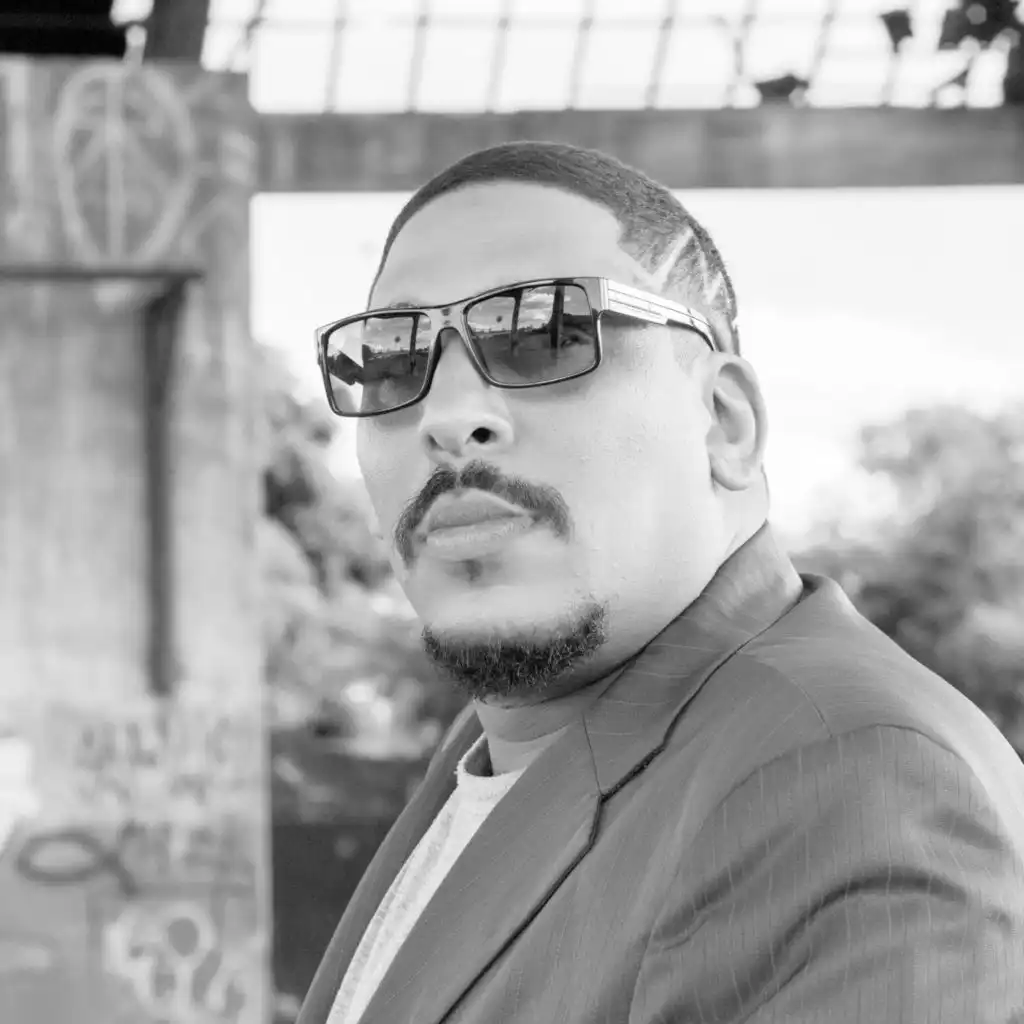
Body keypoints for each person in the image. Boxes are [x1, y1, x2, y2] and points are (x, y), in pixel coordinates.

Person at [298, 141, 1024, 1024]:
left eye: (542, 335)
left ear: (723, 423)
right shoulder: (499, 750)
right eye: (392, 361)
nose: (448, 417)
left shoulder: (847, 774)